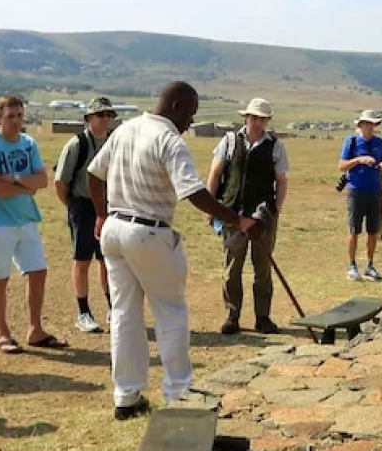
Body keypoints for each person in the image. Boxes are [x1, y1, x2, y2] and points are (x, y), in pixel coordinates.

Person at [87, 81, 262, 420]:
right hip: (148, 232)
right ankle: (178, 393)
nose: (190, 122)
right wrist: (238, 220)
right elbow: (194, 192)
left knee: (124, 314)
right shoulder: (169, 139)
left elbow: (94, 174)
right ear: (176, 106)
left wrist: (101, 214)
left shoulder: (125, 130)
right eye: (190, 114)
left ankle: (126, 397)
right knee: (170, 312)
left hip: (115, 230)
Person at [0, 94, 65, 353]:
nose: (15, 121)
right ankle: (2, 333)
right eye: (10, 116)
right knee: (0, 277)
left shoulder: (29, 144)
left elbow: (42, 181)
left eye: (19, 116)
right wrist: (25, 186)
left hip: (26, 219)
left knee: (38, 272)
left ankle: (35, 329)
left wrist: (13, 177)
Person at [204, 97, 289, 335]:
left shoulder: (275, 145)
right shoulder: (230, 141)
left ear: (267, 121)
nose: (257, 122)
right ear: (246, 117)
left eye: (262, 118)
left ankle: (262, 317)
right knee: (232, 267)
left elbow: (281, 181)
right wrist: (211, 207)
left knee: (263, 268)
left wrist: (275, 211)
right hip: (232, 213)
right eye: (254, 117)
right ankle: (232, 316)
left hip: (263, 216)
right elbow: (215, 173)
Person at [54, 96, 116, 334]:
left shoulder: (114, 142)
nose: (105, 119)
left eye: (109, 115)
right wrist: (72, 206)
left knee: (107, 259)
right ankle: (83, 312)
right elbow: (61, 181)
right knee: (82, 260)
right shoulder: (76, 145)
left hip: (109, 206)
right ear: (88, 118)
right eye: (101, 115)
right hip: (82, 205)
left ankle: (113, 309)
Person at [340, 109, 382, 281]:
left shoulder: (379, 143)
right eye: (367, 123)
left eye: (372, 124)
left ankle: (369, 265)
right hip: (356, 190)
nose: (370, 127)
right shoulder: (352, 141)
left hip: (375, 190)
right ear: (361, 124)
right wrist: (360, 160)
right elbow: (341, 165)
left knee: (373, 231)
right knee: (354, 230)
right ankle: (352, 265)